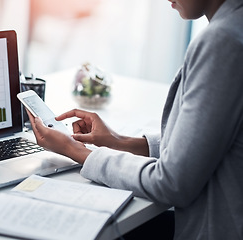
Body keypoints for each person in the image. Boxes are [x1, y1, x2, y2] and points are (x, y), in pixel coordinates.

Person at [27, 0, 243, 239]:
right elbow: (208, 139)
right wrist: (121, 141)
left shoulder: (223, 41)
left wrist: (76, 151)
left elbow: (171, 183)